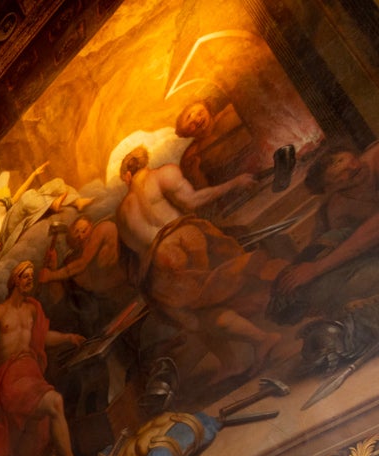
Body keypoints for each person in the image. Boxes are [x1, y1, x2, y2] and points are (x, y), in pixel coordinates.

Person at [115, 144, 282, 381]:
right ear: (145, 162)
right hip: (188, 237)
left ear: (126, 176)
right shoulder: (162, 174)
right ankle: (242, 354)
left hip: (160, 262)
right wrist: (233, 183)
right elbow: (192, 201)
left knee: (197, 316)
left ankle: (250, 346)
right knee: (206, 308)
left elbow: (141, 256)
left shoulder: (122, 213)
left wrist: (151, 290)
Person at [0, 260, 92, 456]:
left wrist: (67, 338)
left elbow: (42, 337)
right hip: (11, 379)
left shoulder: (33, 309)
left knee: (31, 438)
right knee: (55, 402)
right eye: (25, 276)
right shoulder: (0, 312)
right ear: (15, 280)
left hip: (31, 374)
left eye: (32, 276)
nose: (29, 279)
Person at [272, 144, 379, 321]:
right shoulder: (338, 208)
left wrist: (318, 268)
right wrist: (310, 270)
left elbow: (373, 230)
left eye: (345, 160)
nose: (354, 168)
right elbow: (328, 242)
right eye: (342, 176)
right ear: (330, 188)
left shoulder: (376, 159)